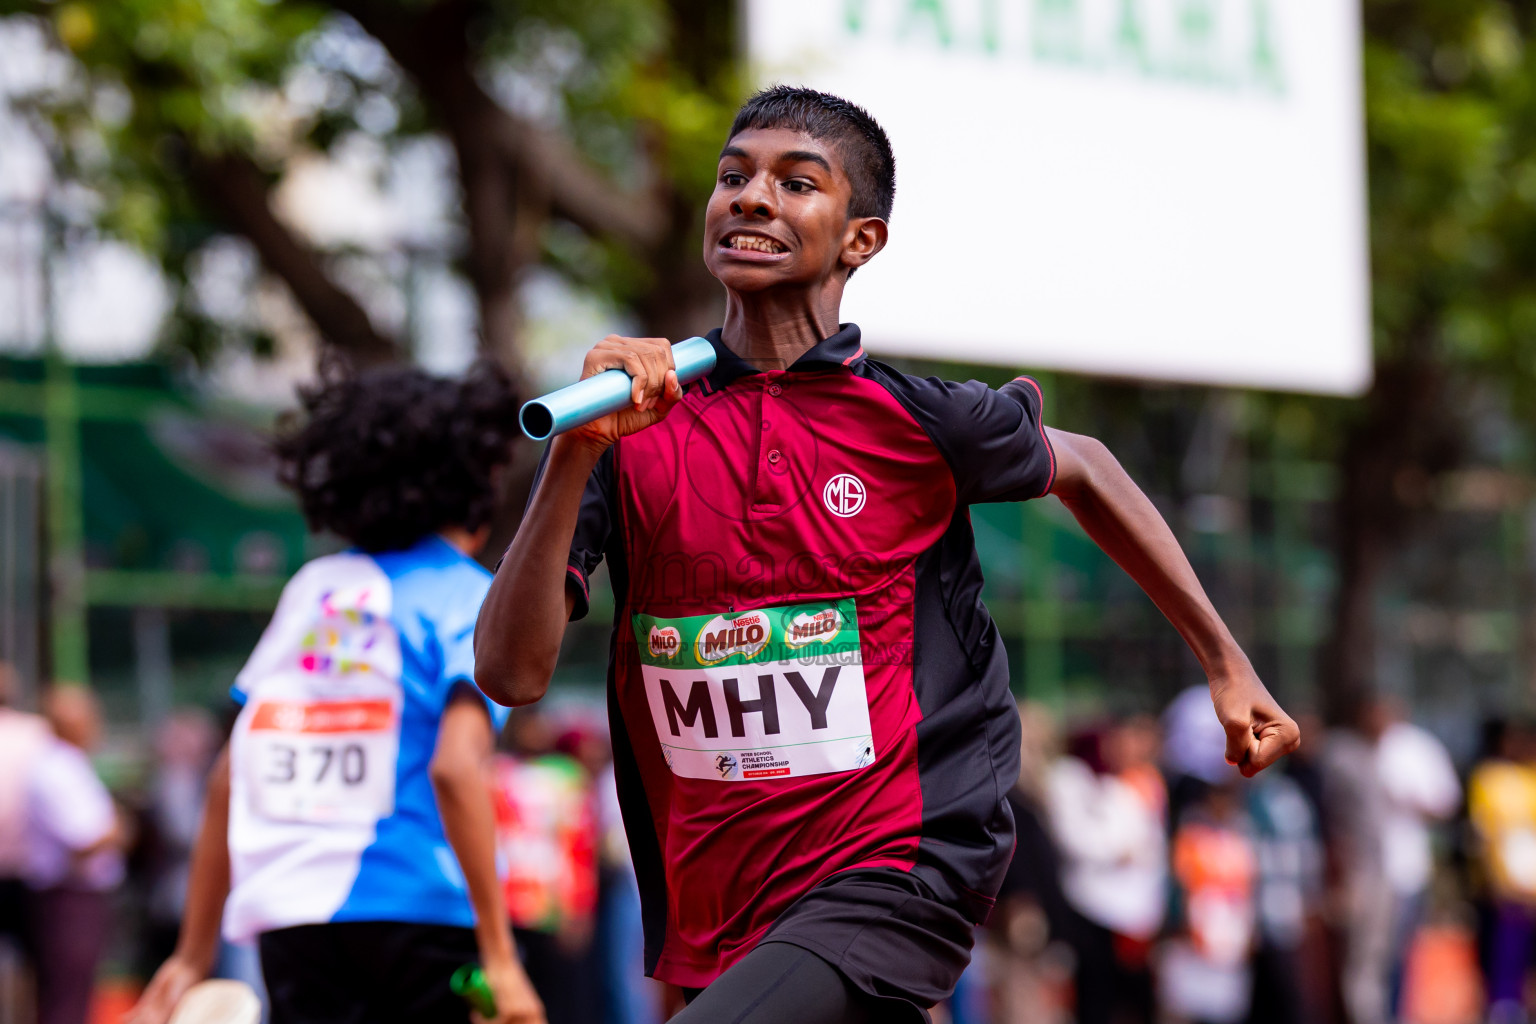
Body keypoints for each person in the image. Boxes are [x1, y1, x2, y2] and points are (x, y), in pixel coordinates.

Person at [473, 85, 1301, 1023]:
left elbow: (1090, 467)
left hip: (902, 856)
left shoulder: (916, 419)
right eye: (733, 177)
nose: (750, 198)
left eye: (795, 183)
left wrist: (1226, 664)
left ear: (860, 239)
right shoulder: (628, 434)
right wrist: (576, 448)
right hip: (725, 889)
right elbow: (509, 671)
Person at [127, 363, 544, 1024]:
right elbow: (455, 768)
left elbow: (230, 778)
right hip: (421, 913)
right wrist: (499, 955)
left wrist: (191, 955)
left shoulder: (313, 591)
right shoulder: (469, 596)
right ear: (478, 477)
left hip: (294, 924)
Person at [1047, 722, 1167, 1024]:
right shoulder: (1070, 777)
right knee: (1096, 995)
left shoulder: (1127, 783)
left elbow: (1145, 842)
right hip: (1090, 905)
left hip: (1129, 911)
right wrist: (1116, 851)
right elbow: (1076, 837)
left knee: (1134, 996)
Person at [23, 685, 126, 1024]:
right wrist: (118, 829)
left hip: (74, 896)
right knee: (66, 1001)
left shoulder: (68, 763)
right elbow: (85, 840)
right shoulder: (57, 768)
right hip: (68, 898)